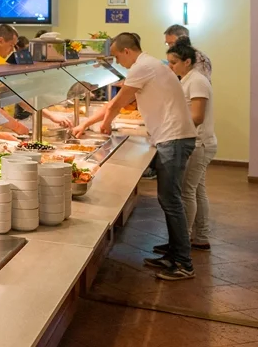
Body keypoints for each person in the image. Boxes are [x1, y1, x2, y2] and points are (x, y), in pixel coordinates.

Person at [73, 32, 198, 281]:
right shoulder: (149, 64)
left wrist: (102, 124)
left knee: (170, 200)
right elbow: (117, 104)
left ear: (127, 51)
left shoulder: (142, 67)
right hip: (171, 136)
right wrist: (89, 123)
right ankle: (173, 253)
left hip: (173, 138)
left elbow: (117, 103)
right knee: (168, 199)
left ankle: (183, 263)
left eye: (117, 56)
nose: (118, 62)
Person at [159, 36, 216, 252]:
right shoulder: (186, 79)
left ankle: (182, 242)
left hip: (199, 143)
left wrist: (170, 125)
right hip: (196, 141)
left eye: (173, 63)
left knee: (186, 192)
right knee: (197, 190)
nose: (170, 67)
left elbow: (197, 116)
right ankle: (199, 237)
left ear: (187, 62)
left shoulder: (197, 81)